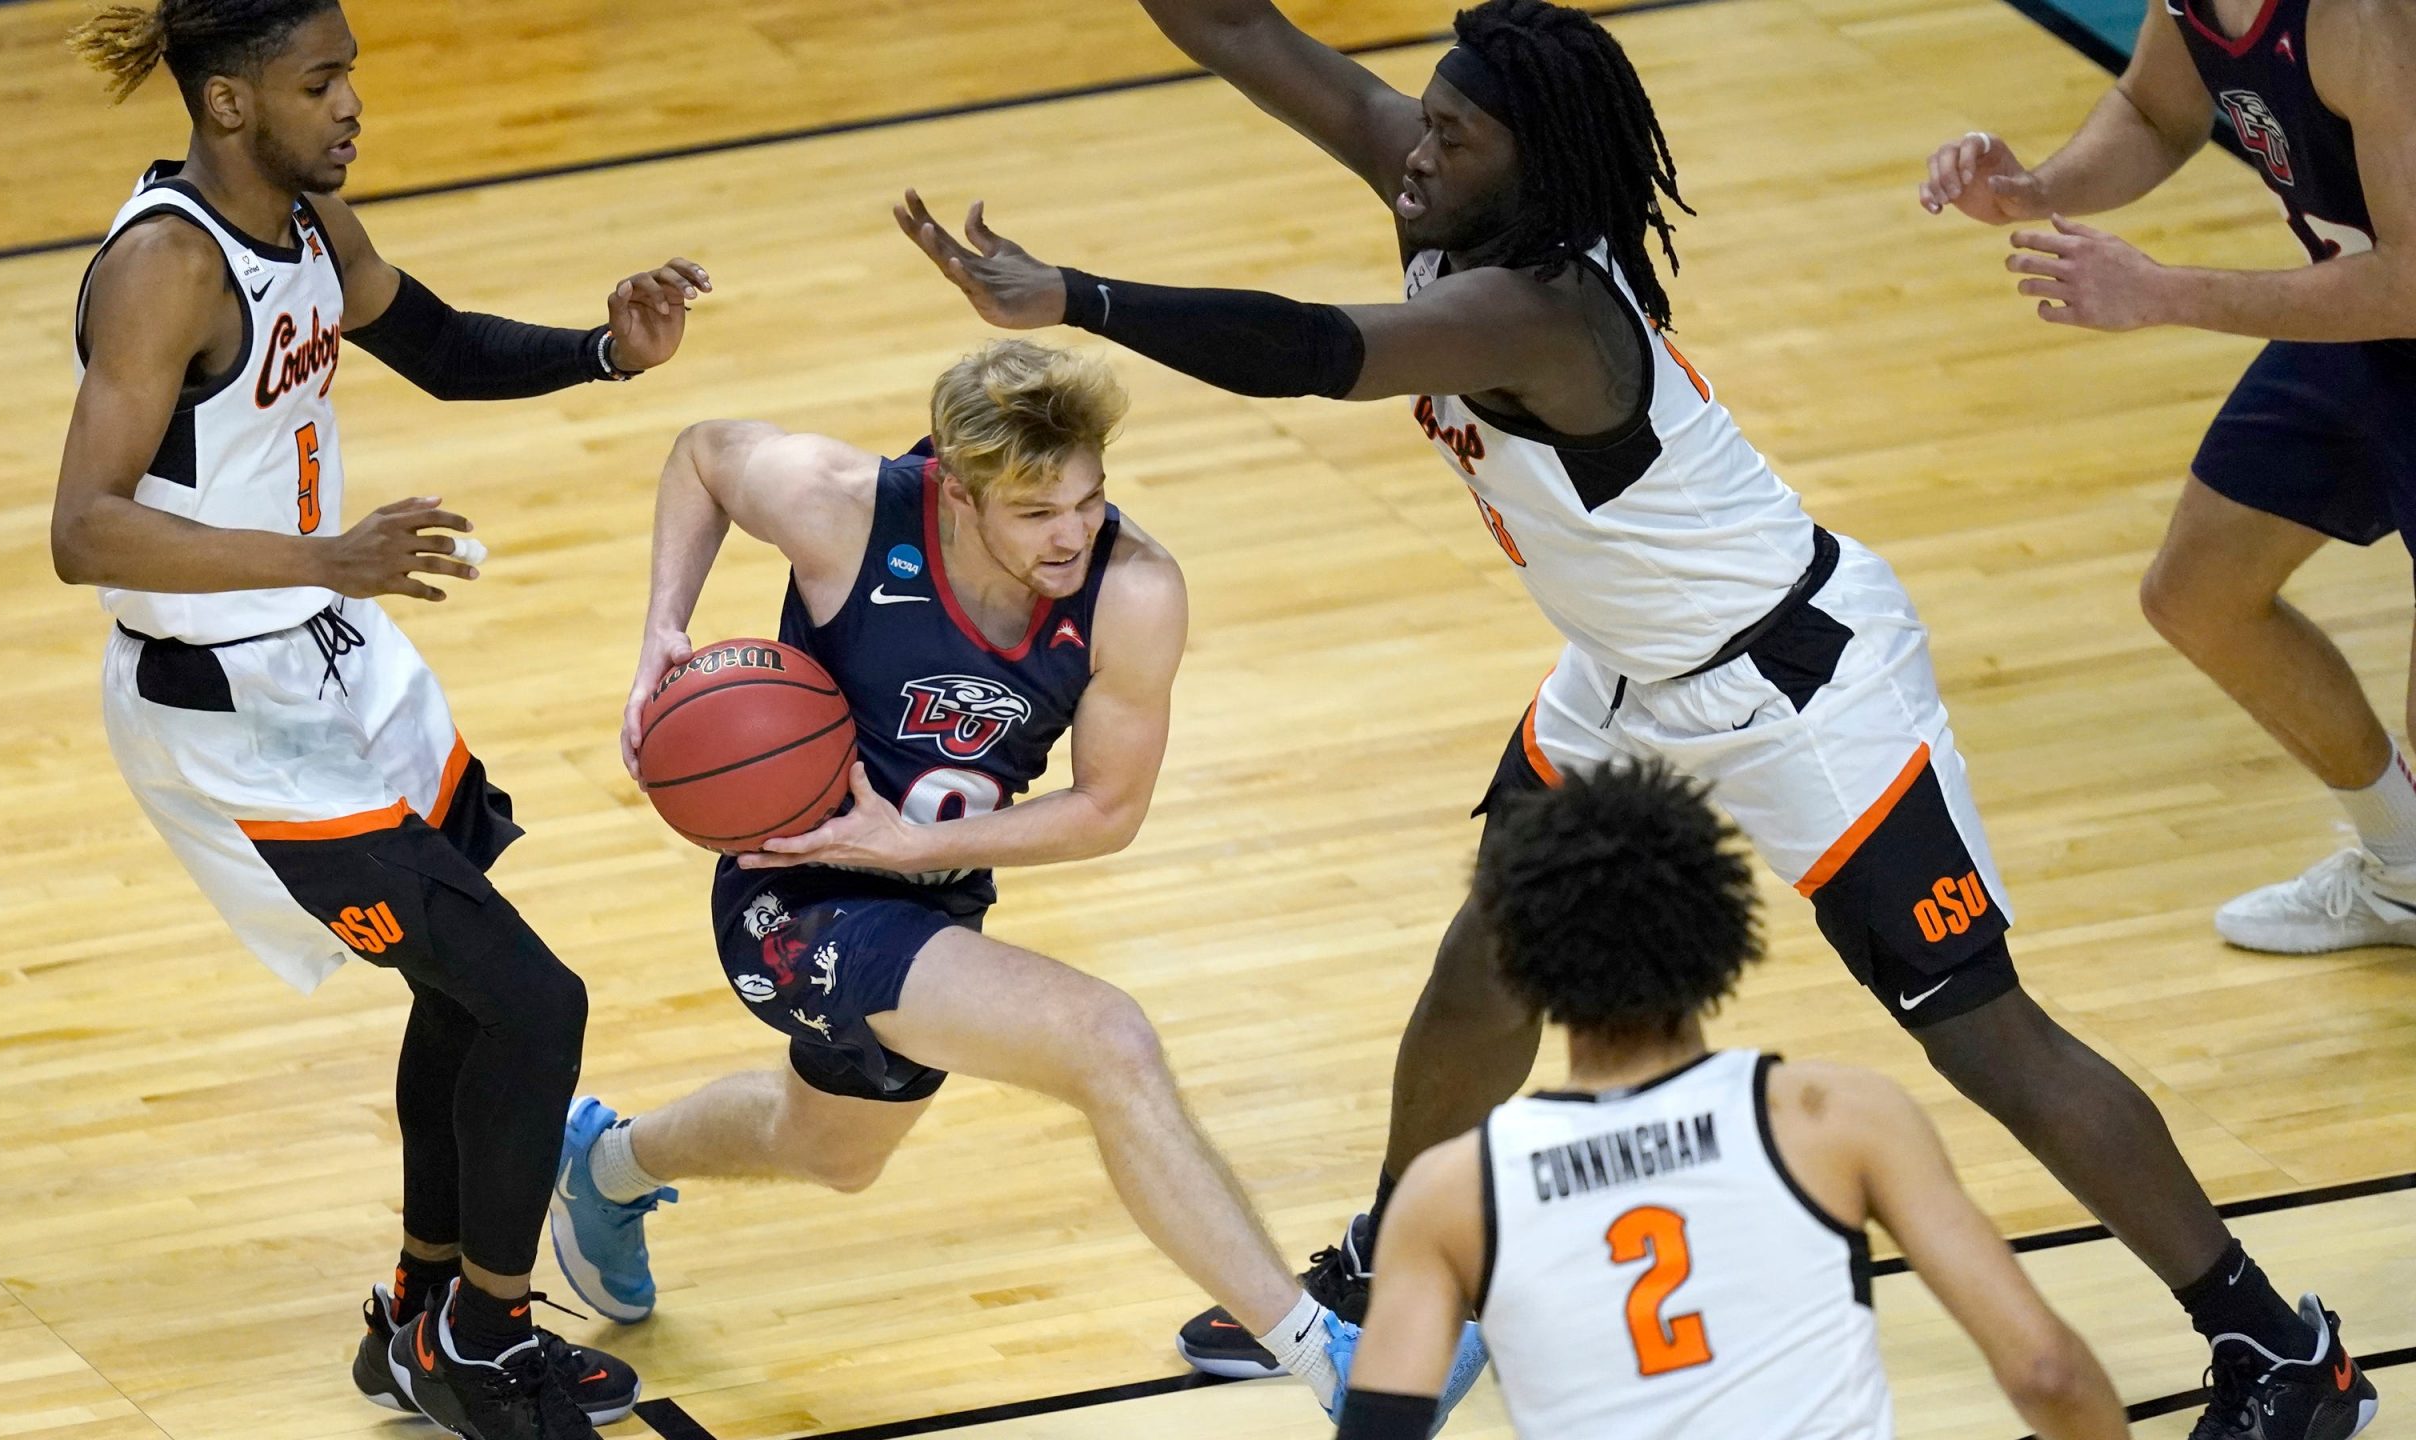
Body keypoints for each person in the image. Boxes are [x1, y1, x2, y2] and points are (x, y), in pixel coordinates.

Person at [893, 2, 2373, 1435]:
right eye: (1432, 114)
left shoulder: (1543, 311)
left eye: (1455, 133)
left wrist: (1076, 299)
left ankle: (2273, 1343)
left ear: (1526, 163)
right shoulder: (1456, 190)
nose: (1418, 146)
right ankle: (1402, 1274)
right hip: (1626, 675)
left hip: (1795, 686)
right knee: (1483, 978)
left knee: (1979, 1033)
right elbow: (1244, 34)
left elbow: (1313, 351)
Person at [546, 338, 1483, 1423]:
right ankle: (1339, 1370)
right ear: (955, 485)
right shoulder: (844, 506)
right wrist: (665, 625)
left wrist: (911, 851)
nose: (1073, 532)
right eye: (1038, 510)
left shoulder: (1133, 591)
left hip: (930, 887)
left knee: (830, 1149)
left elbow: (1108, 811)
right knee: (1107, 1040)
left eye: (1088, 499)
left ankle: (606, 1163)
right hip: (791, 890)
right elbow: (703, 456)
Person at [54, 3, 707, 1436]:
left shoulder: (312, 219)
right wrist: (321, 556)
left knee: (474, 991)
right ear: (229, 104)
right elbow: (85, 530)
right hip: (222, 702)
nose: (352, 105)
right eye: (321, 81)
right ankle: (482, 1336)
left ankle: (426, 1312)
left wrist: (607, 353)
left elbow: (442, 344)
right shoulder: (165, 268)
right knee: (537, 1003)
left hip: (327, 650)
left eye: (351, 73)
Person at [1336, 760, 2131, 1440]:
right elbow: (2046, 1372)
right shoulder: (1836, 1120)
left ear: (1515, 959)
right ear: (1725, 934)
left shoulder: (1451, 1193)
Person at [1919, 0, 2416, 956]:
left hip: (2395, 297)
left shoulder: (2365, 17)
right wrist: (2030, 188)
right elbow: (2156, 113)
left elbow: (2410, 279)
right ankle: (2405, 872)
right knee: (2198, 591)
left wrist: (2160, 291)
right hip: (2367, 329)